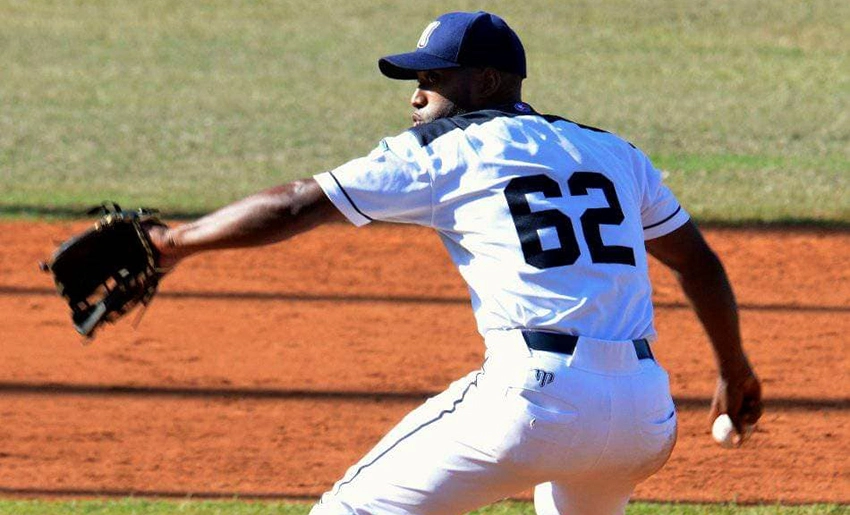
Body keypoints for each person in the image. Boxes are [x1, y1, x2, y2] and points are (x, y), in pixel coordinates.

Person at [147, 11, 763, 515]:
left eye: (433, 79)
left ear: (488, 82)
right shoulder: (613, 151)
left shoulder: (447, 149)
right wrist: (734, 372)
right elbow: (696, 264)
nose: (417, 96)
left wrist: (173, 243)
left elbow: (300, 203)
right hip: (642, 416)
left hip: (535, 404)